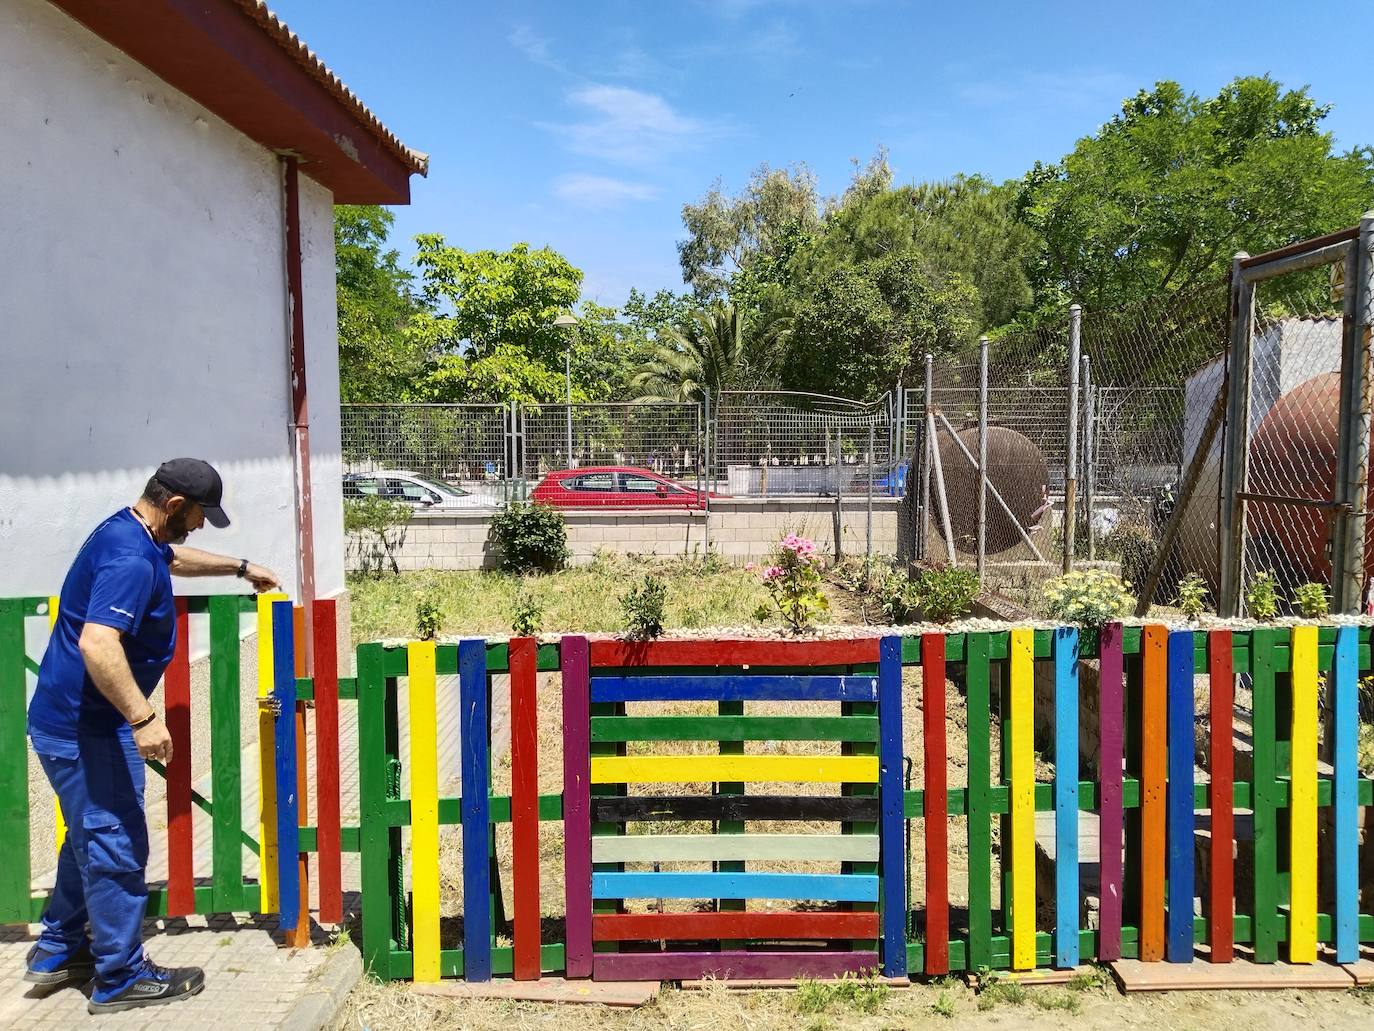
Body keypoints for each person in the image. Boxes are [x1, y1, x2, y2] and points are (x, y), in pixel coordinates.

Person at [25, 458, 280, 1014]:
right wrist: (143, 717)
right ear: (172, 506)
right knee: (116, 843)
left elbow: (173, 556)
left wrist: (240, 567)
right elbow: (98, 643)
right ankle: (120, 976)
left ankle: (57, 951)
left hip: (70, 719)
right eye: (197, 515)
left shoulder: (129, 531)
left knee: (89, 837)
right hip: (87, 726)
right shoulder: (129, 559)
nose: (199, 526)